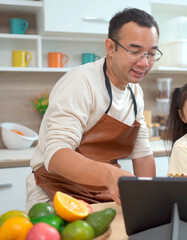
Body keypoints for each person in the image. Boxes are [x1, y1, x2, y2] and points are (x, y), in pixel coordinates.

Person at [26, 8, 161, 209]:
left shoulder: (135, 91)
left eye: (151, 54)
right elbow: (56, 155)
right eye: (135, 51)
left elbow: (141, 153)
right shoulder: (81, 82)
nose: (144, 62)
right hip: (56, 195)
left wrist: (149, 200)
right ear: (110, 47)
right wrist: (110, 174)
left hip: (100, 195)